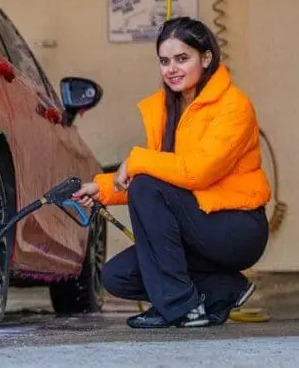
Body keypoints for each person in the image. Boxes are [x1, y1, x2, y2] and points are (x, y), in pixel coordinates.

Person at [72, 17, 271, 328]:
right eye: (164, 61)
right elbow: (165, 180)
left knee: (146, 187)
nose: (172, 69)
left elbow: (197, 173)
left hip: (236, 226)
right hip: (196, 223)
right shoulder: (166, 109)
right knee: (118, 276)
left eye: (182, 58)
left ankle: (180, 307)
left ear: (205, 59)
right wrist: (104, 190)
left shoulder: (234, 107)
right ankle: (225, 289)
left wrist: (136, 160)